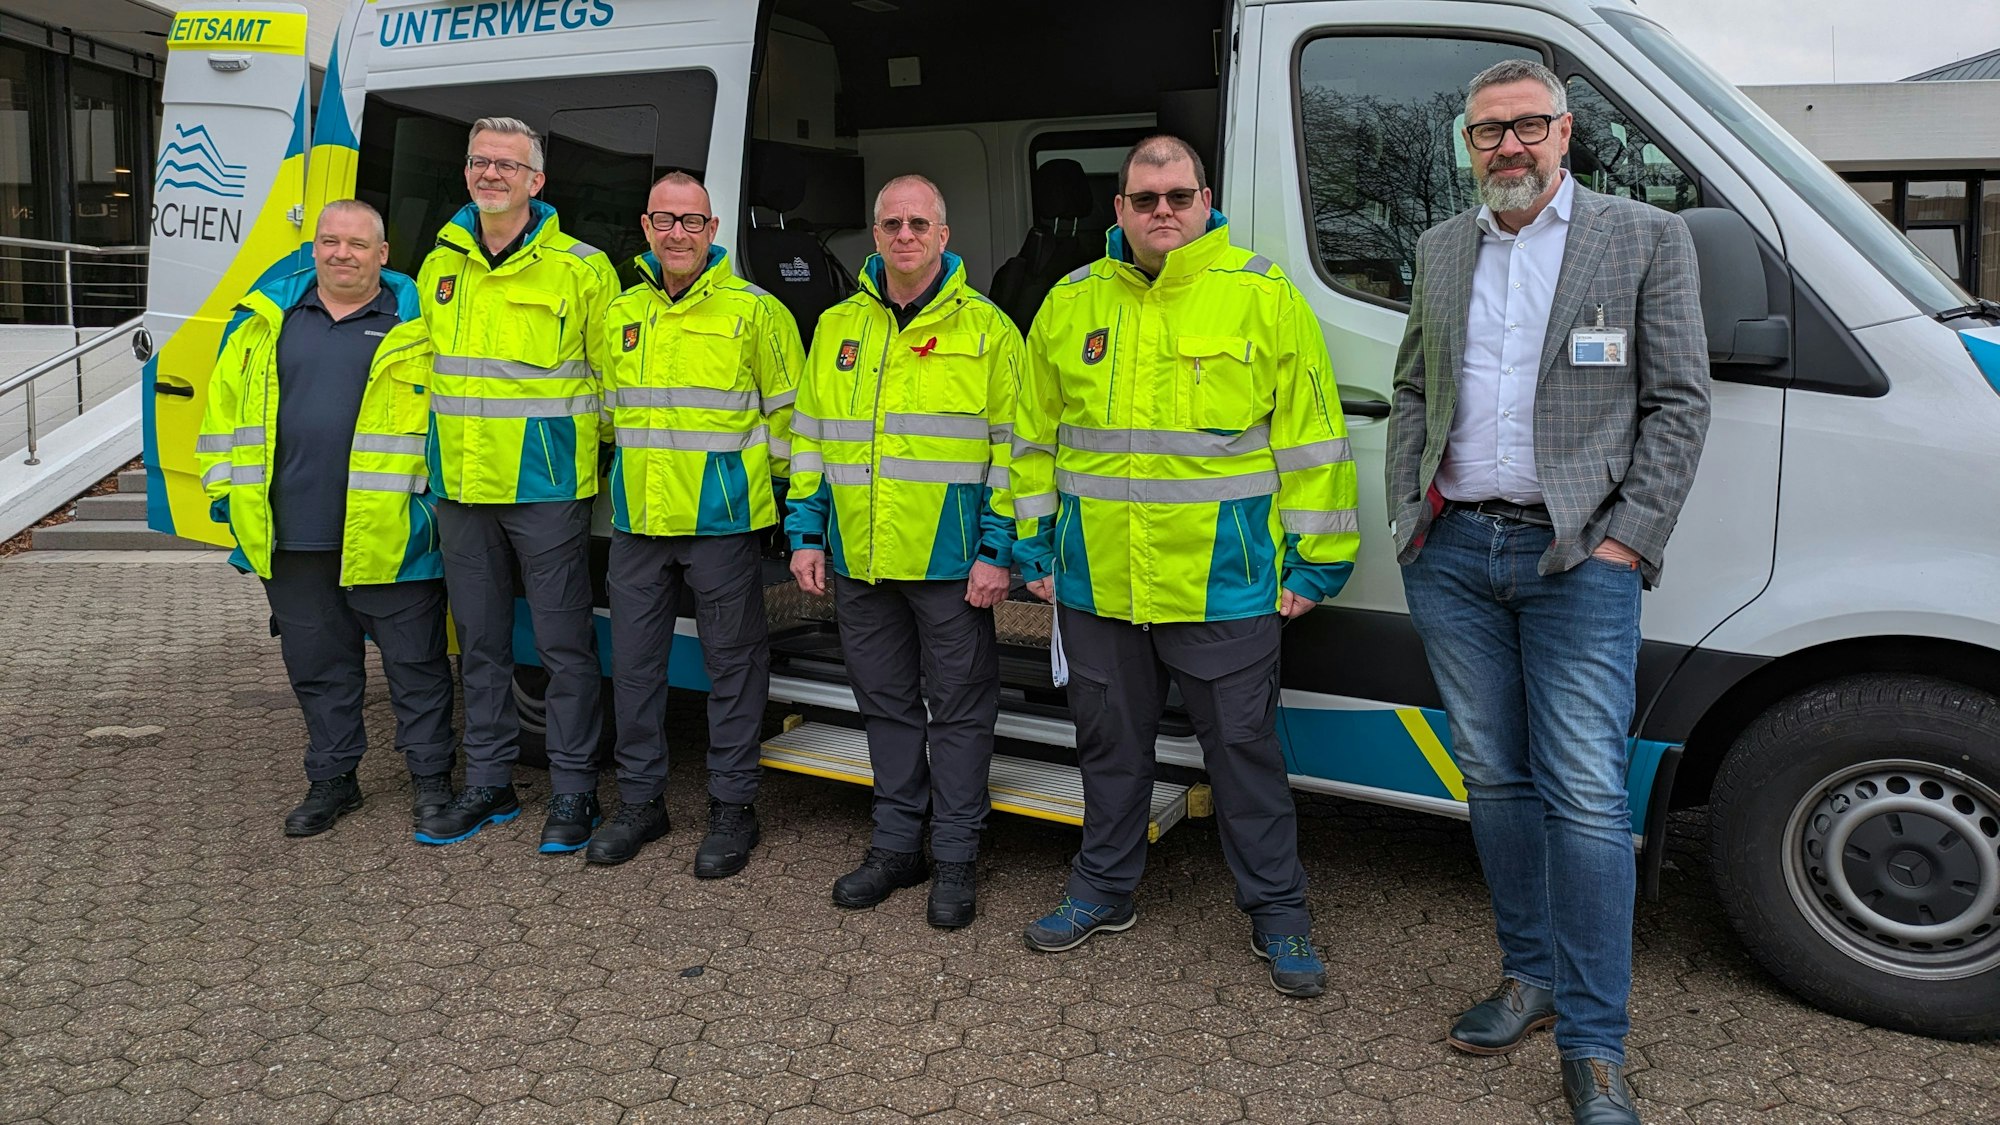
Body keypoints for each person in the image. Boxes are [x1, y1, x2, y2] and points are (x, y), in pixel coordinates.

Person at [1387, 59, 1710, 1125]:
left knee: (1582, 795)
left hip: (1577, 564)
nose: (1507, 148)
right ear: (1466, 146)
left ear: (1564, 132)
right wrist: (1409, 515)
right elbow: (1409, 390)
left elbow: (1676, 403)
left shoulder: (1641, 238)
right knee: (1491, 777)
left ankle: (1592, 1042)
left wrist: (1627, 542)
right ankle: (1525, 974)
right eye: (1486, 133)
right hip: (1455, 557)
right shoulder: (1440, 247)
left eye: (1526, 127)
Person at [1009, 136, 1360, 998]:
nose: (1162, 211)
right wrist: (1033, 546)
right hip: (1098, 583)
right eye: (1144, 198)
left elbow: (1313, 441)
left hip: (1226, 584)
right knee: (1110, 749)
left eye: (1177, 195)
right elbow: (1031, 440)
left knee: (1243, 755)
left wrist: (1315, 563)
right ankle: (1103, 889)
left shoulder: (1261, 296)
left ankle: (1280, 915)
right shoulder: (1070, 301)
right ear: (1119, 208)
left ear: (1206, 199)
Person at [785, 174, 1021, 930]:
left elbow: (1015, 455)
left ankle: (954, 855)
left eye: (920, 222)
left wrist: (997, 550)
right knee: (884, 707)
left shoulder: (988, 331)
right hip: (861, 559)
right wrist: (806, 531)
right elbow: (813, 439)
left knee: (958, 713)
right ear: (875, 233)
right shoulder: (838, 328)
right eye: (892, 223)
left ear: (944, 236)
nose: (906, 235)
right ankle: (896, 846)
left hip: (952, 567)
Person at [196, 199, 454, 837]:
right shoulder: (264, 321)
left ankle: (432, 784)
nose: (343, 254)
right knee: (319, 668)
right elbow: (223, 413)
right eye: (330, 241)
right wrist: (229, 497)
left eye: (358, 244)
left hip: (396, 534)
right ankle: (333, 780)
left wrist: (433, 513)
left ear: (383, 254)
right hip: (291, 537)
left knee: (416, 668)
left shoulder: (422, 324)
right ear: (314, 248)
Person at [411, 116, 621, 851]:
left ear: (537, 180)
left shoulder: (583, 268)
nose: (490, 174)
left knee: (564, 647)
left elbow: (611, 384)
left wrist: (583, 467)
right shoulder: (440, 265)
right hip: (462, 492)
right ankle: (490, 784)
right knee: (481, 646)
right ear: (465, 173)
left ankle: (573, 792)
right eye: (478, 162)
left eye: (507, 164)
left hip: (546, 492)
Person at [593, 171, 803, 872]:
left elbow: (789, 422)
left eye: (693, 221)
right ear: (646, 227)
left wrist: (777, 509)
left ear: (713, 230)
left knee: (733, 669)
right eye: (665, 220)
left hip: (723, 525)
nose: (678, 233)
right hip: (638, 526)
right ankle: (641, 804)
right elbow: (603, 417)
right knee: (635, 667)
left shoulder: (755, 311)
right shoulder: (619, 313)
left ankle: (733, 808)